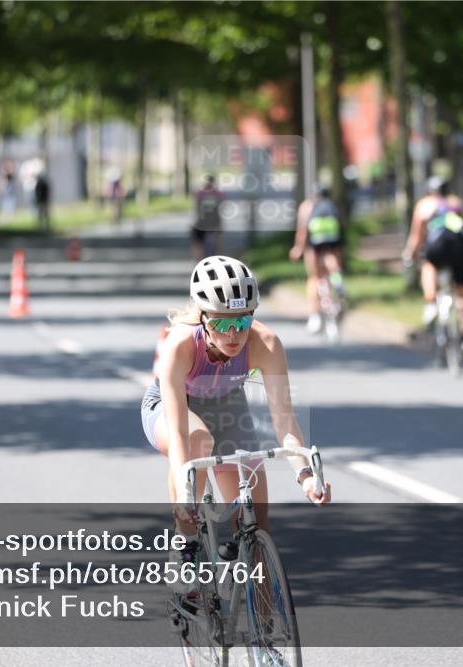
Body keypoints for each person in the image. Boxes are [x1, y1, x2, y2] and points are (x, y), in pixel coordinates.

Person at [141, 255, 331, 575]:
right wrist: (185, 497)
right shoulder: (180, 345)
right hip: (174, 407)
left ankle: (268, 620)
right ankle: (185, 548)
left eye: (242, 322)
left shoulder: (265, 344)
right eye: (222, 323)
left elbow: (284, 420)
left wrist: (306, 476)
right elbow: (177, 434)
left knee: (255, 520)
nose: (233, 334)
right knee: (198, 438)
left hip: (225, 403)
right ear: (202, 318)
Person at [402, 176, 463, 355]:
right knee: (461, 294)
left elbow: (417, 236)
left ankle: (431, 301)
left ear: (429, 191)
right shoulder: (456, 202)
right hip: (460, 247)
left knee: (428, 266)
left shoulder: (424, 204)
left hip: (437, 246)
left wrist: (409, 254)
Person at [290, 185, 346, 333]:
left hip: (314, 244)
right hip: (333, 241)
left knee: (314, 277)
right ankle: (337, 279)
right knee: (332, 261)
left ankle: (315, 316)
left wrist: (298, 248)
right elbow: (341, 227)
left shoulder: (307, 206)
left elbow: (303, 230)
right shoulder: (334, 206)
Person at [192, 174, 224, 260]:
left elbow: (197, 209)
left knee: (198, 244)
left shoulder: (199, 193)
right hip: (214, 222)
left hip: (201, 223)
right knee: (217, 243)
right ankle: (219, 260)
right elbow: (219, 208)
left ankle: (198, 262)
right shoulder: (218, 194)